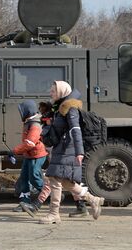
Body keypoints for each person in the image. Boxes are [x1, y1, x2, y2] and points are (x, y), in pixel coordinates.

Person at [34, 80, 104, 224]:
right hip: (63, 147)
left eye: (53, 91)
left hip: (68, 149)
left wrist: (79, 152)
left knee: (54, 178)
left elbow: (75, 130)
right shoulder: (59, 108)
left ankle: (54, 214)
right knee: (65, 181)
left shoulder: (70, 109)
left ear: (61, 92)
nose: (51, 93)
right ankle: (93, 200)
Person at [20, 100, 89, 218]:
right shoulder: (59, 118)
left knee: (53, 180)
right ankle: (83, 205)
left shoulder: (63, 118)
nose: (42, 115)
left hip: (66, 152)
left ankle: (38, 206)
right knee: (69, 182)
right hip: (66, 152)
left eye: (44, 112)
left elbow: (68, 133)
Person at [10, 100, 48, 212]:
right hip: (29, 155)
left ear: (28, 111)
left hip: (37, 155)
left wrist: (14, 151)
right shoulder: (29, 121)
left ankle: (49, 192)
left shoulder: (35, 124)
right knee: (24, 179)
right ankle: (24, 202)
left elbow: (30, 143)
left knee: (34, 177)